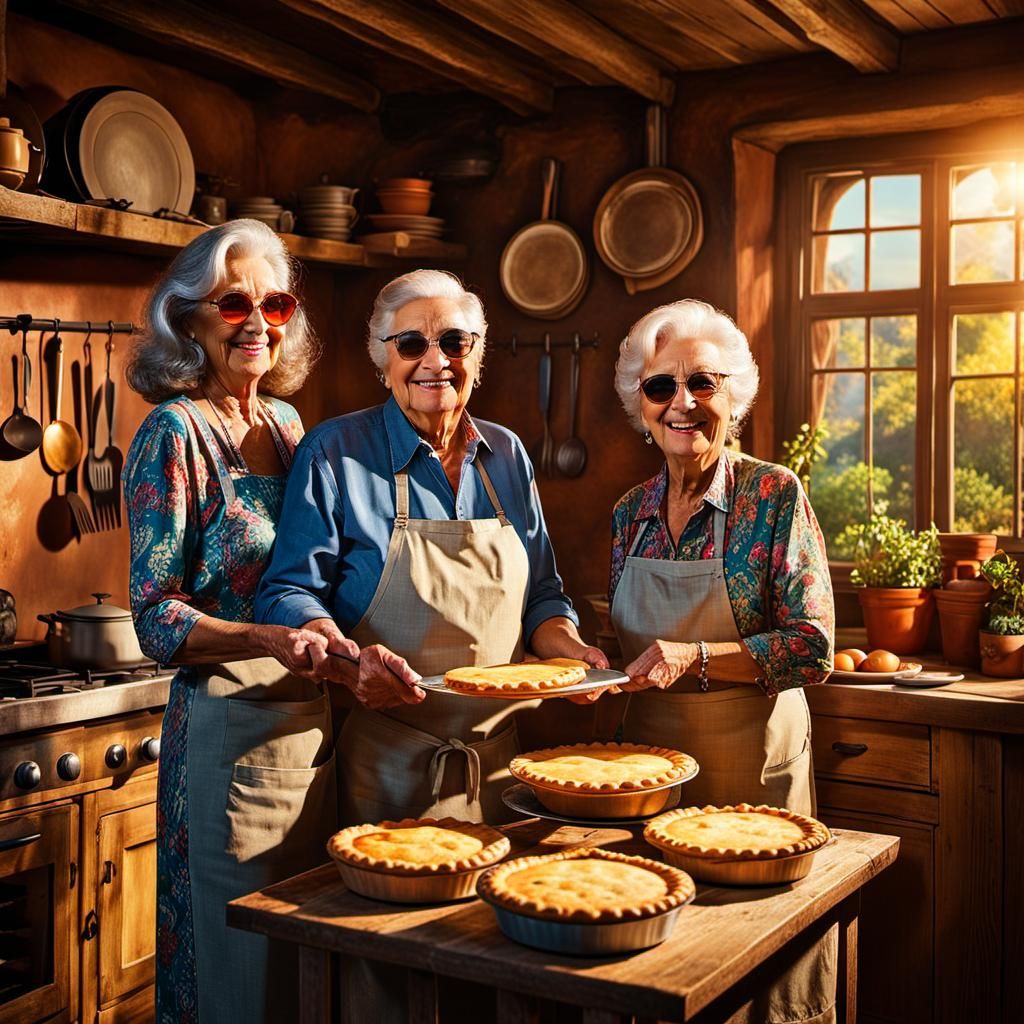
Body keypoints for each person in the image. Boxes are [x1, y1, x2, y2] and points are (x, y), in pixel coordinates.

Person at [256, 268, 606, 826]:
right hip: (385, 765)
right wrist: (346, 658)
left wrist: (570, 649)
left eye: (453, 342)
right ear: (383, 360)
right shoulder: (335, 451)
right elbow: (288, 592)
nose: (435, 360)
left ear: (476, 355)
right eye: (411, 343)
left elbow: (542, 595)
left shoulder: (508, 455)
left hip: (503, 768)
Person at [123, 220, 340, 1024]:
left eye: (274, 303)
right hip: (220, 735)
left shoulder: (288, 428)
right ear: (189, 320)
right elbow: (154, 616)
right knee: (230, 972)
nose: (257, 321)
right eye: (233, 302)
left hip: (304, 729)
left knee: (295, 968)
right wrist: (263, 637)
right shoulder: (173, 433)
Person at [603, 298, 836, 1023]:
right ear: (639, 406)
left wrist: (697, 655)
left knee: (760, 982)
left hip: (752, 789)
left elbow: (814, 645)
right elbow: (626, 648)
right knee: (662, 976)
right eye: (660, 387)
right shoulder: (627, 512)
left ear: (733, 395)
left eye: (702, 383)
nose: (682, 404)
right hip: (650, 785)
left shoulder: (772, 496)